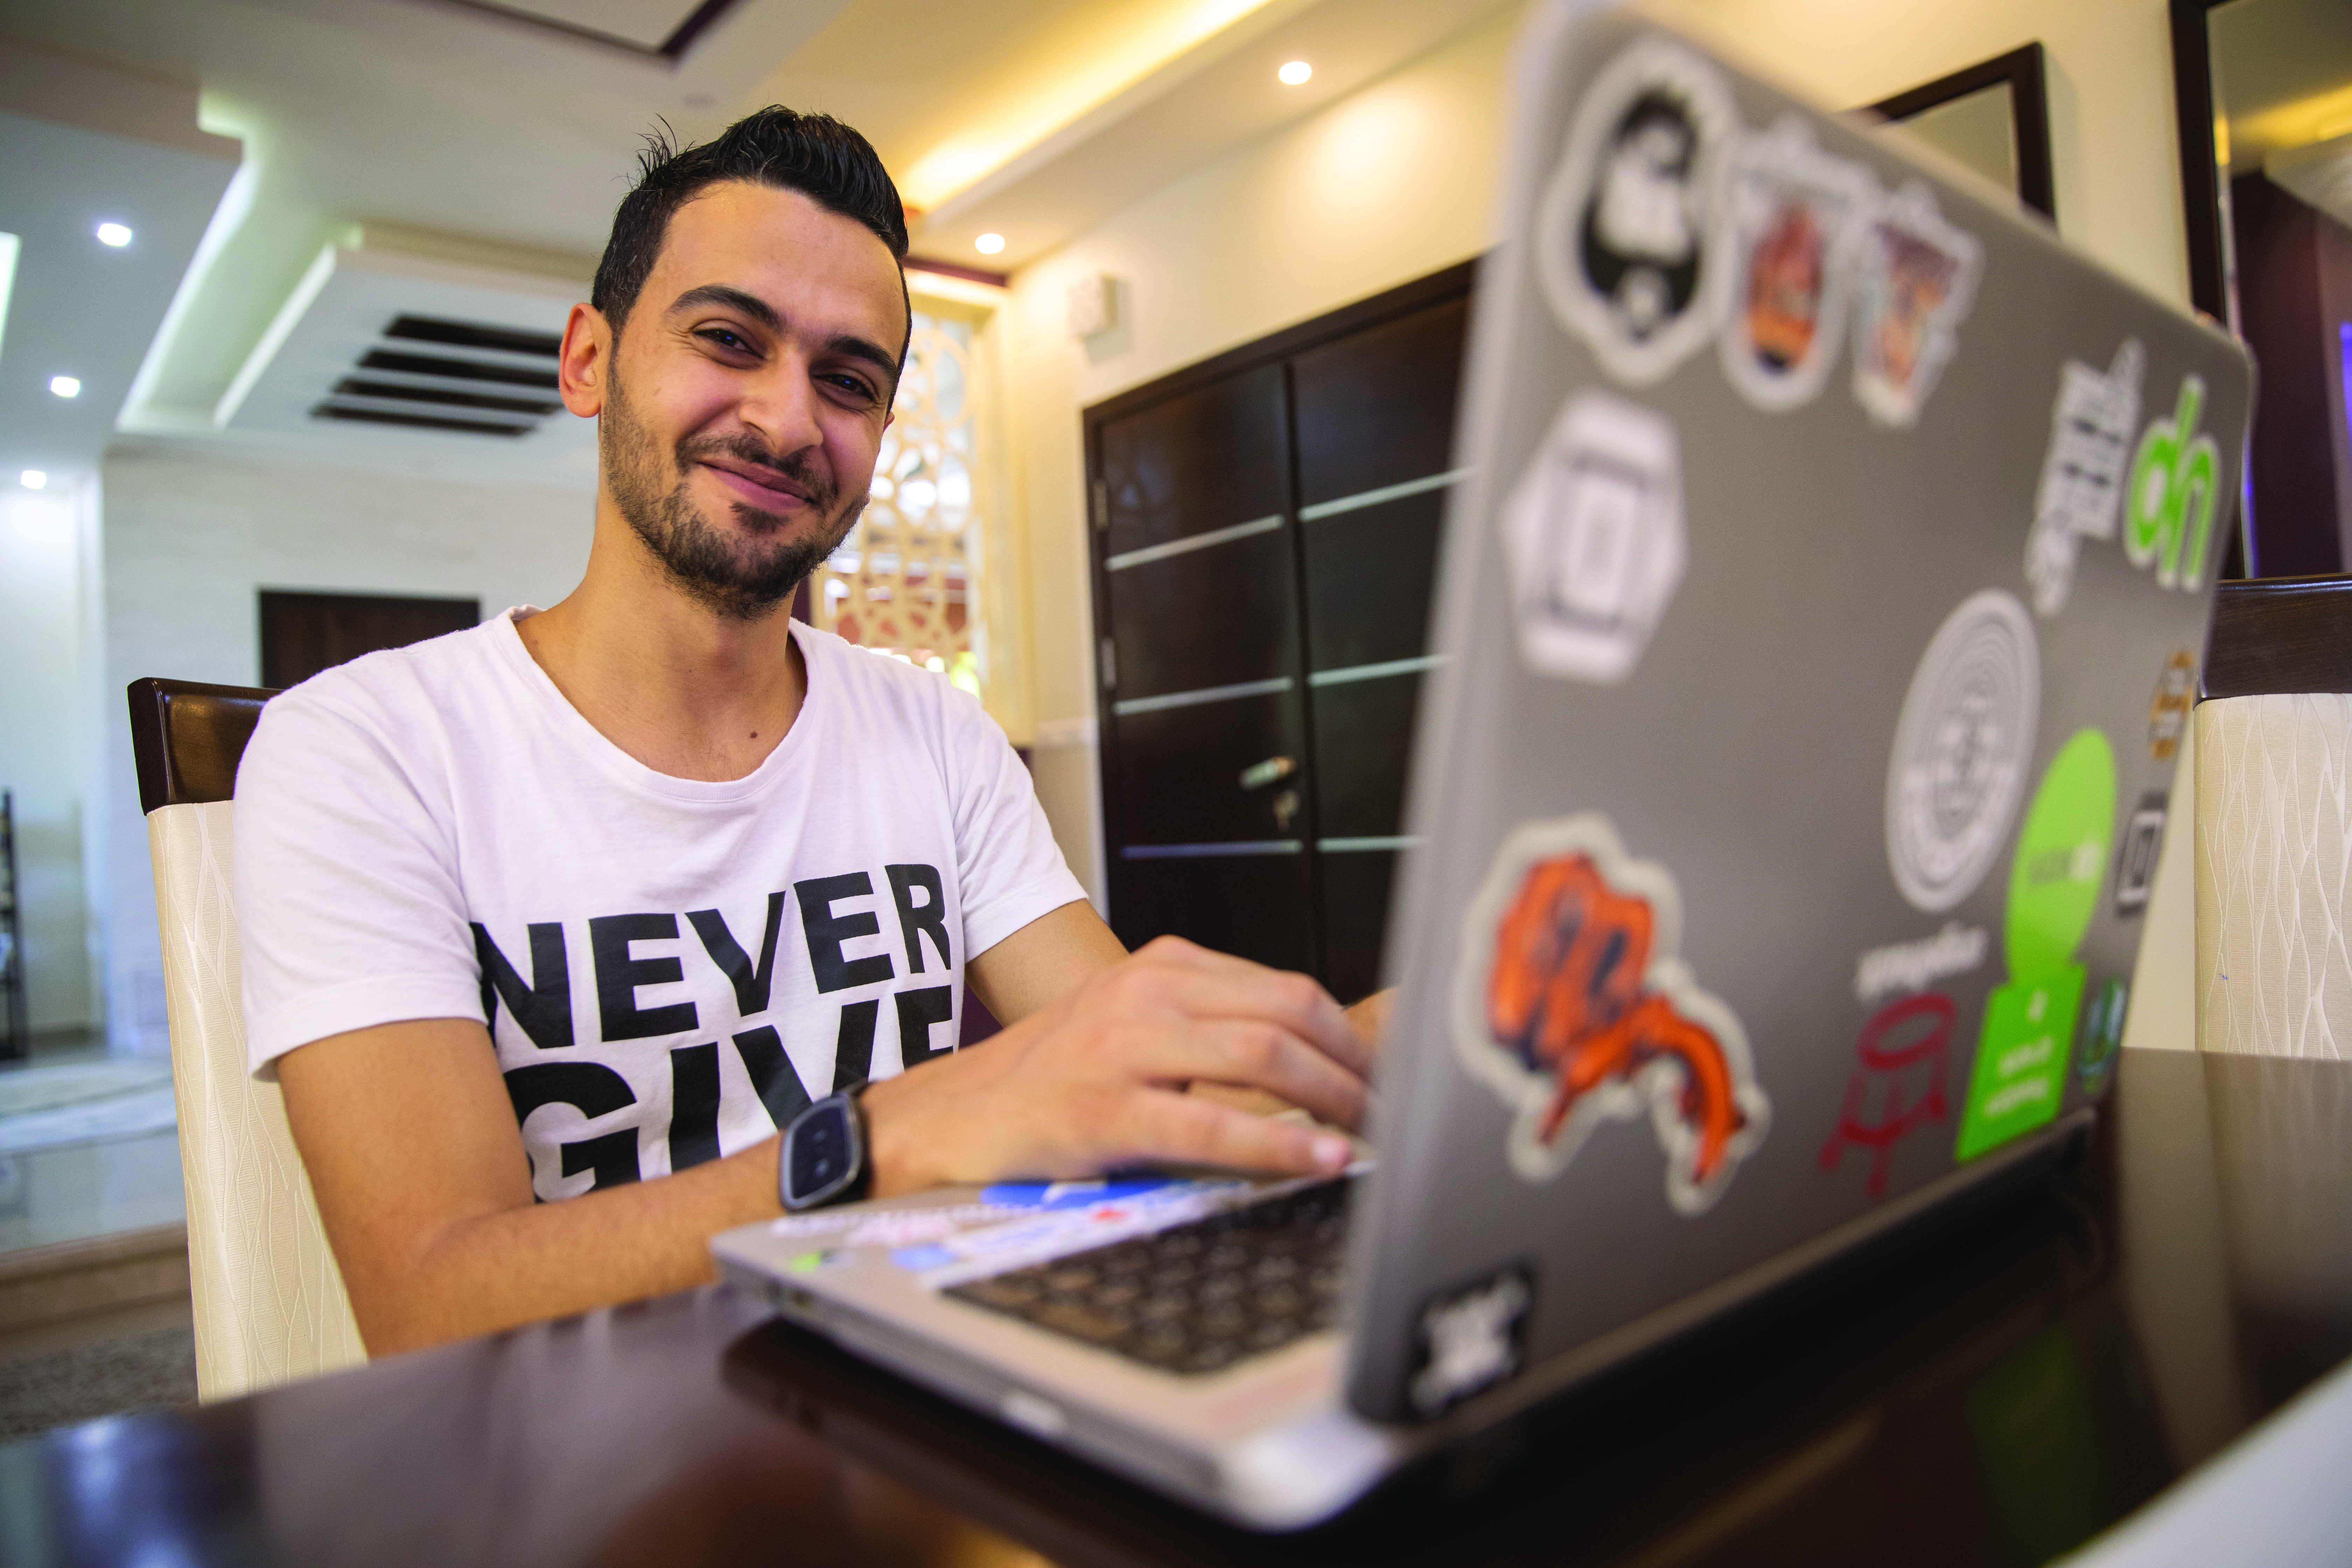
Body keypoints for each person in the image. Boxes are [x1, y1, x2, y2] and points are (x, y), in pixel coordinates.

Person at [234, 109, 1385, 1357]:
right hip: (580, 1444)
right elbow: (435, 1299)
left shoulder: (932, 735)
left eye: (848, 382)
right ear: (588, 362)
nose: (788, 423)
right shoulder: (365, 749)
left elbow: (1155, 1088)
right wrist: (893, 1139)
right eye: (729, 340)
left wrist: (1431, 1017)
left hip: (930, 1391)